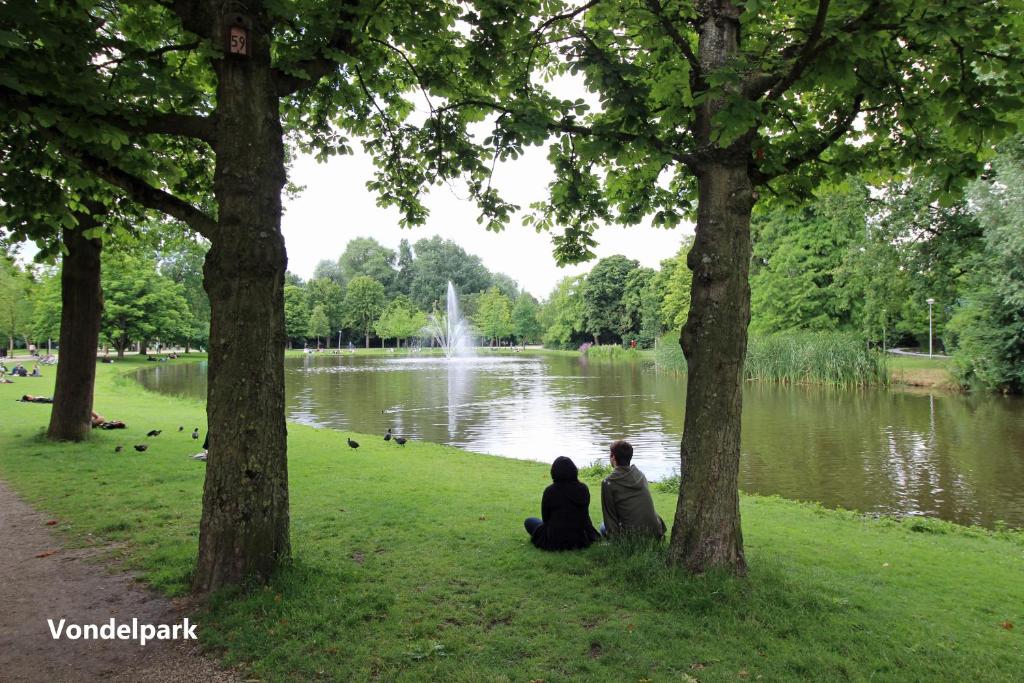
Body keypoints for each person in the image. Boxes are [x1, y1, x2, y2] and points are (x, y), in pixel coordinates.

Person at [523, 456, 600, 551]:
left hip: (555, 539)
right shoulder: (583, 489)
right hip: (580, 537)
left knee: (529, 521)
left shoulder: (550, 491)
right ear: (574, 471)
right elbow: (584, 513)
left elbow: (545, 518)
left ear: (554, 472)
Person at [600, 440, 666, 540]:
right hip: (656, 532)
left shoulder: (608, 482)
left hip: (633, 537)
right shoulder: (640, 474)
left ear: (613, 457)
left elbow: (610, 517)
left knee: (603, 526)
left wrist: (616, 541)